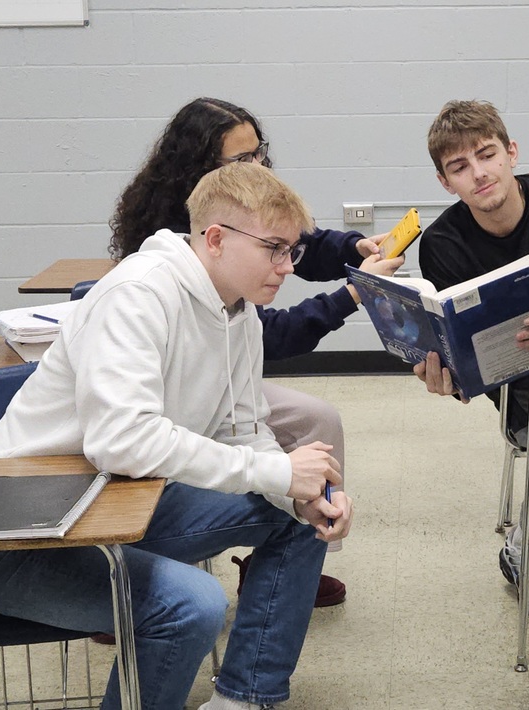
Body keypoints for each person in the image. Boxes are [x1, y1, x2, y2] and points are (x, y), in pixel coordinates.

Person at [0, 162, 350, 710]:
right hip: (18, 535)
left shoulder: (238, 310)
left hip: (122, 501)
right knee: (192, 603)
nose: (288, 266)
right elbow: (122, 441)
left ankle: (244, 697)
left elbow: (242, 429)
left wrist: (295, 488)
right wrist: (278, 471)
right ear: (215, 239)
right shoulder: (138, 295)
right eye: (275, 248)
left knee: (298, 514)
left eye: (293, 250)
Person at [109, 97, 403, 607]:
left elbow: (301, 243)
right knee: (263, 453)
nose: (257, 168)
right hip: (175, 384)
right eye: (241, 161)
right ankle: (133, 579)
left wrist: (353, 250)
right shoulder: (158, 262)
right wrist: (355, 293)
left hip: (224, 373)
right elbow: (275, 336)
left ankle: (286, 567)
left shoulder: (247, 228)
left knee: (316, 423)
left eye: (259, 155)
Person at [415, 99, 529, 621]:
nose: (479, 173)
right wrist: (449, 374)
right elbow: (462, 347)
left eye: (486, 155)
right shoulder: (443, 243)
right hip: (519, 380)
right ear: (446, 182)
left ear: (511, 152)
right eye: (459, 167)